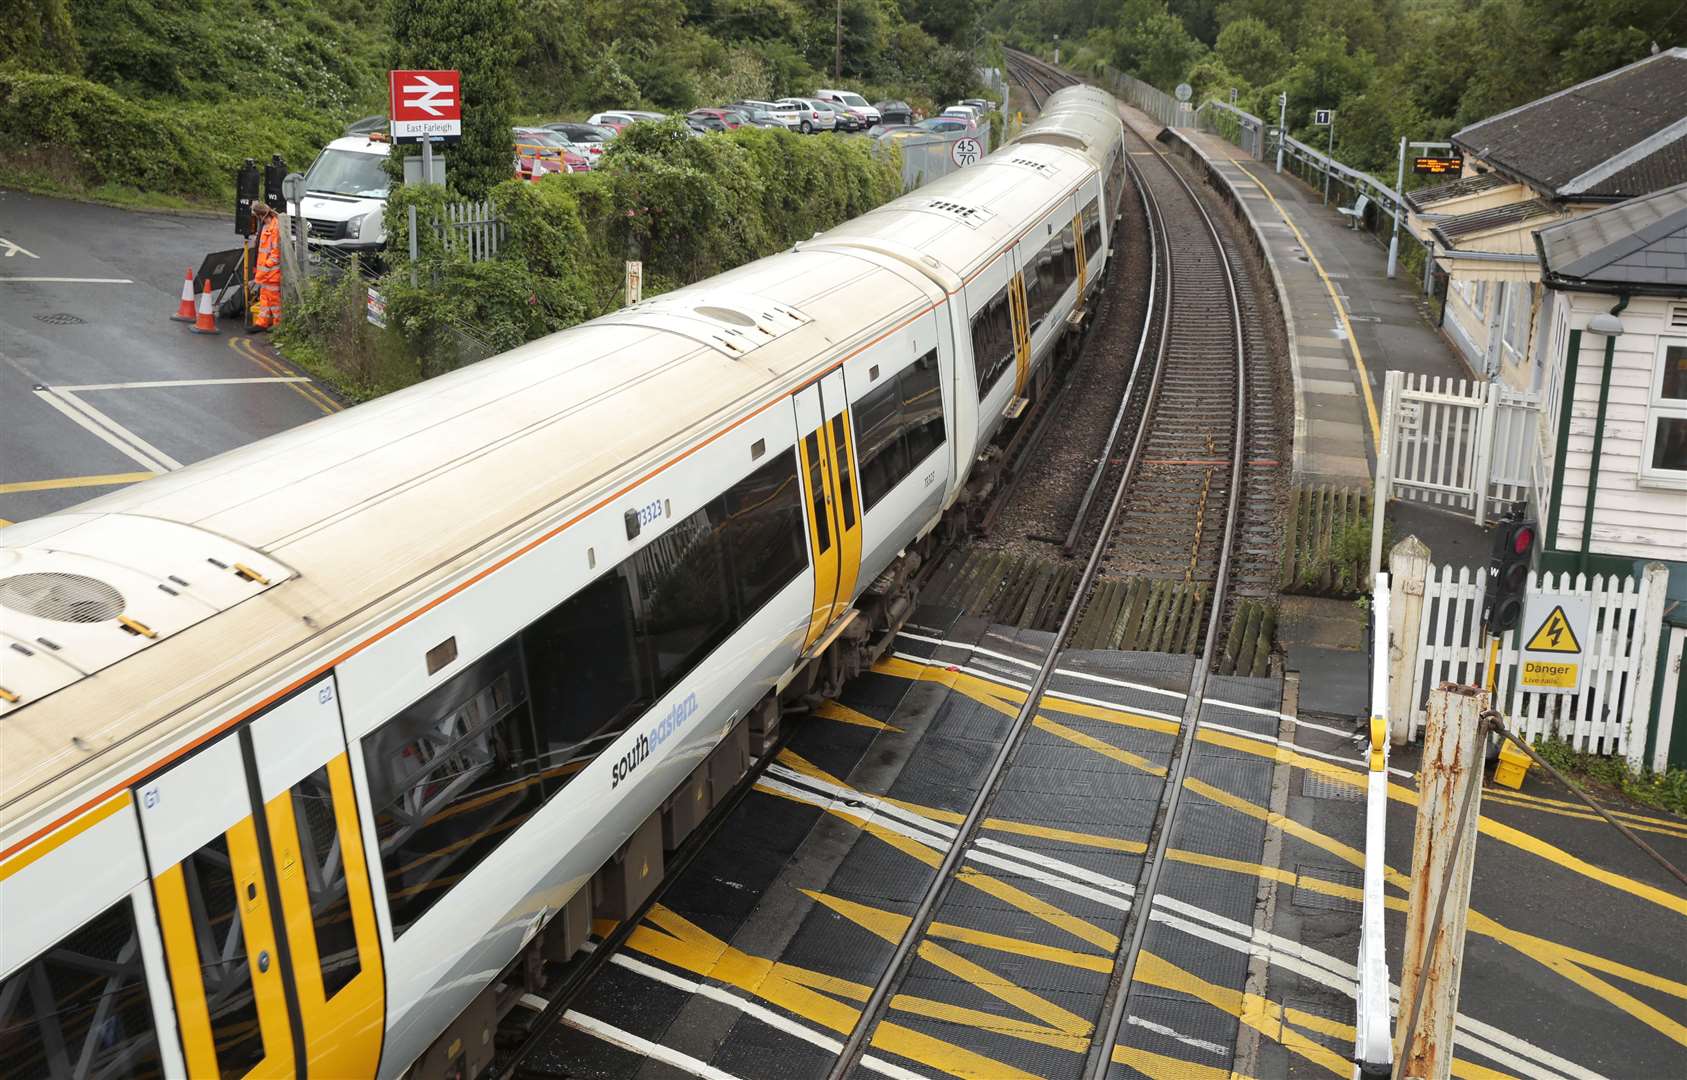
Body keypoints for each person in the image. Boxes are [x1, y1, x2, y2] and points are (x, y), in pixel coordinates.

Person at [251, 201, 282, 331]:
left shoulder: (275, 228)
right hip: (265, 273)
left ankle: (278, 326)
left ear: (260, 215)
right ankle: (261, 323)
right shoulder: (265, 227)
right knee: (264, 299)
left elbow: (275, 253)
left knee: (274, 301)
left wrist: (265, 267)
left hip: (271, 273)